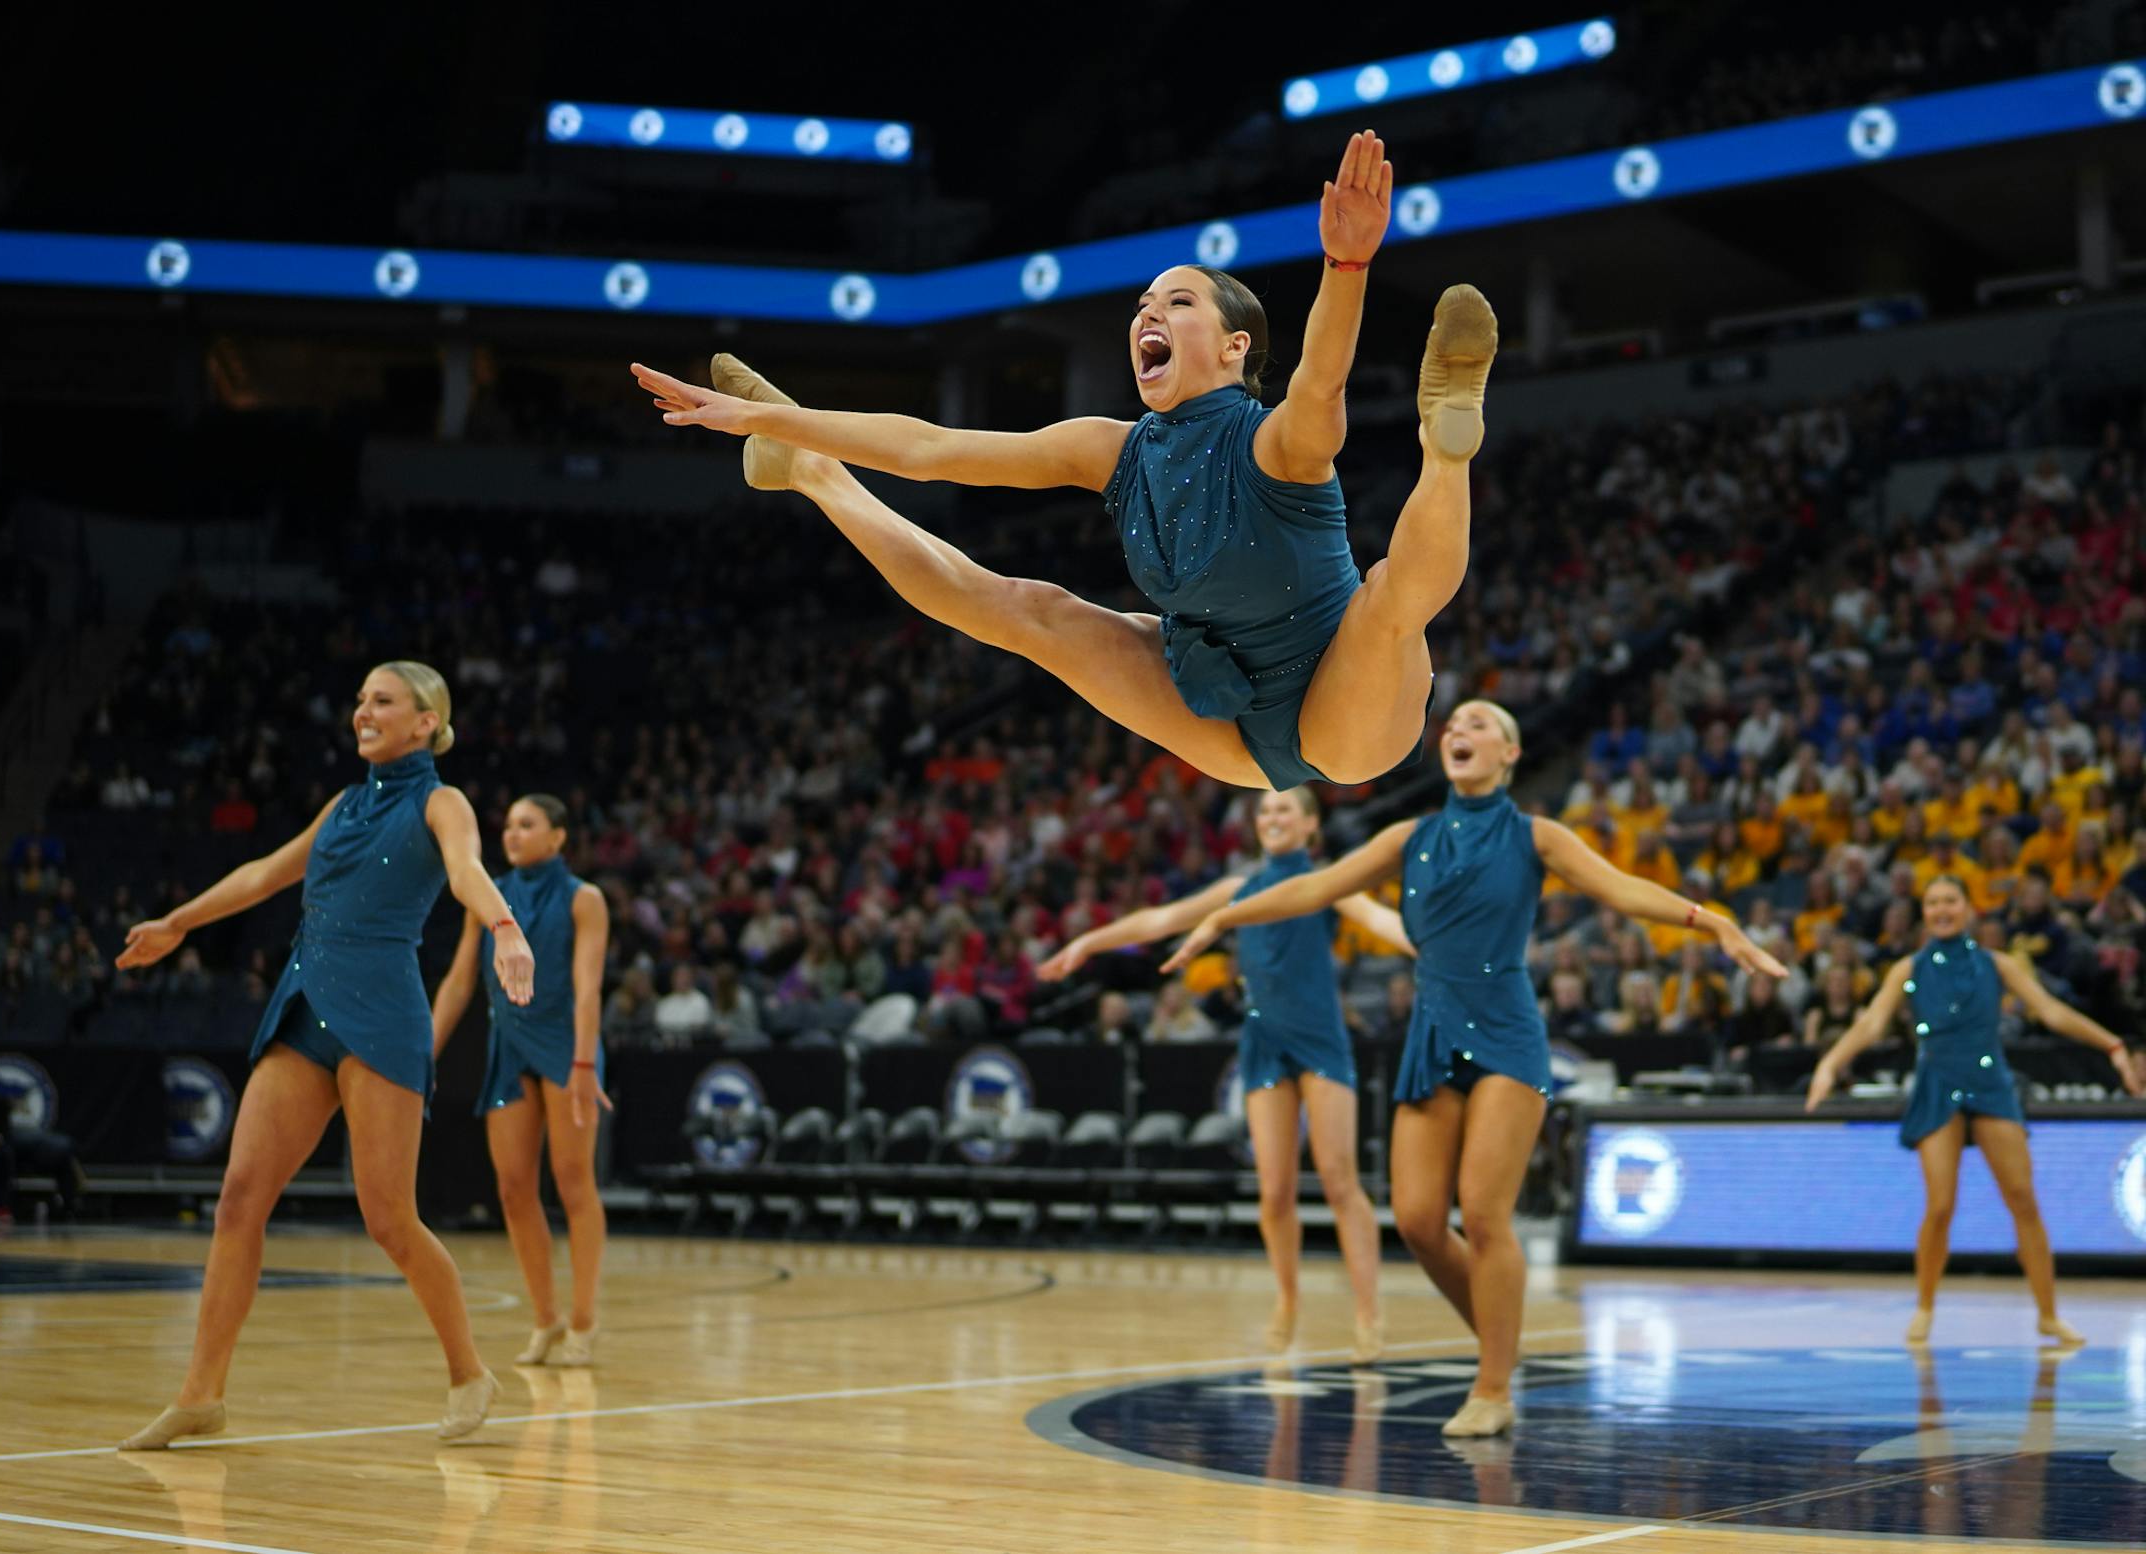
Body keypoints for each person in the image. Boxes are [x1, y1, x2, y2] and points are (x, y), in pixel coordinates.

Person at [637, 133, 1495, 791]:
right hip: (1228, 723)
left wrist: (1346, 265)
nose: (1148, 312)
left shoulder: (1271, 441)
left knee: (1388, 598)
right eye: (1143, 304)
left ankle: (1445, 444)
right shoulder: (1109, 448)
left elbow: (1320, 383)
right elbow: (932, 450)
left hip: (1351, 715)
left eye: (1178, 300)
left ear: (1235, 347)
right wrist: (772, 417)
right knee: (1026, 610)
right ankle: (811, 474)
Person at [1164, 701, 1785, 1435]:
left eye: (1481, 724)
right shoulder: (1410, 837)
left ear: (1512, 753)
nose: (1460, 731)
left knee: (1483, 1213)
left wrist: (1709, 919)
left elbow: (1621, 888)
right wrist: (1223, 918)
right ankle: (1502, 1337)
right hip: (1431, 1029)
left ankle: (1493, 1388)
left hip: (1505, 1032)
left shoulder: (1536, 837)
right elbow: (1312, 887)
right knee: (1422, 1220)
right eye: (1453, 724)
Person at [113, 662, 532, 1449]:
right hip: (306, 1005)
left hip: (383, 1012)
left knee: (389, 1219)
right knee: (239, 1197)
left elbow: (466, 869)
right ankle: (201, 1394)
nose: (362, 711)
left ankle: (470, 1369)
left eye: (383, 701)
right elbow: (264, 874)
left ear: (424, 721)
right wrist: (179, 922)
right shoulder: (343, 805)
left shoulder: (442, 802)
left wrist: (506, 929)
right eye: (360, 700)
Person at [1039, 787, 1411, 1362]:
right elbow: (1161, 918)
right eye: (1264, 810)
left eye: (1285, 808)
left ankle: (1369, 1312)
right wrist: (1090, 941)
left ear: (1311, 825)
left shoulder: (1325, 882)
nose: (1272, 817)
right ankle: (1288, 1299)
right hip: (1264, 1041)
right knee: (1273, 1192)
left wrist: (1435, 948)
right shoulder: (1240, 888)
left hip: (1320, 1039)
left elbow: (1380, 919)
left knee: (1339, 1178)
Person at [1807, 875, 2141, 1346]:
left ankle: (2048, 1314)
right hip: (1937, 1081)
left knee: (2023, 1199)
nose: (1942, 909)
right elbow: (1871, 1023)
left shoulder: (1997, 964)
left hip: (1989, 1082)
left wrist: (2110, 1044)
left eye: (1950, 901)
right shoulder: (1908, 968)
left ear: (1968, 908)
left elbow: (2050, 1011)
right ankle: (1924, 1306)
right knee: (1940, 1206)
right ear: (1924, 912)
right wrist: (1830, 1062)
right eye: (1933, 902)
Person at [432, 793, 612, 1369]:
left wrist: (584, 1063)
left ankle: (583, 1320)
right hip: (509, 1048)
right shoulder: (487, 894)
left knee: (572, 1180)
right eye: (507, 824)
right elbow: (461, 980)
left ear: (558, 837)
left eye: (526, 824)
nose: (512, 833)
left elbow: (588, 988)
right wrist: (424, 1051)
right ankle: (546, 1318)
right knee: (512, 1187)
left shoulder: (585, 900)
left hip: (566, 1049)